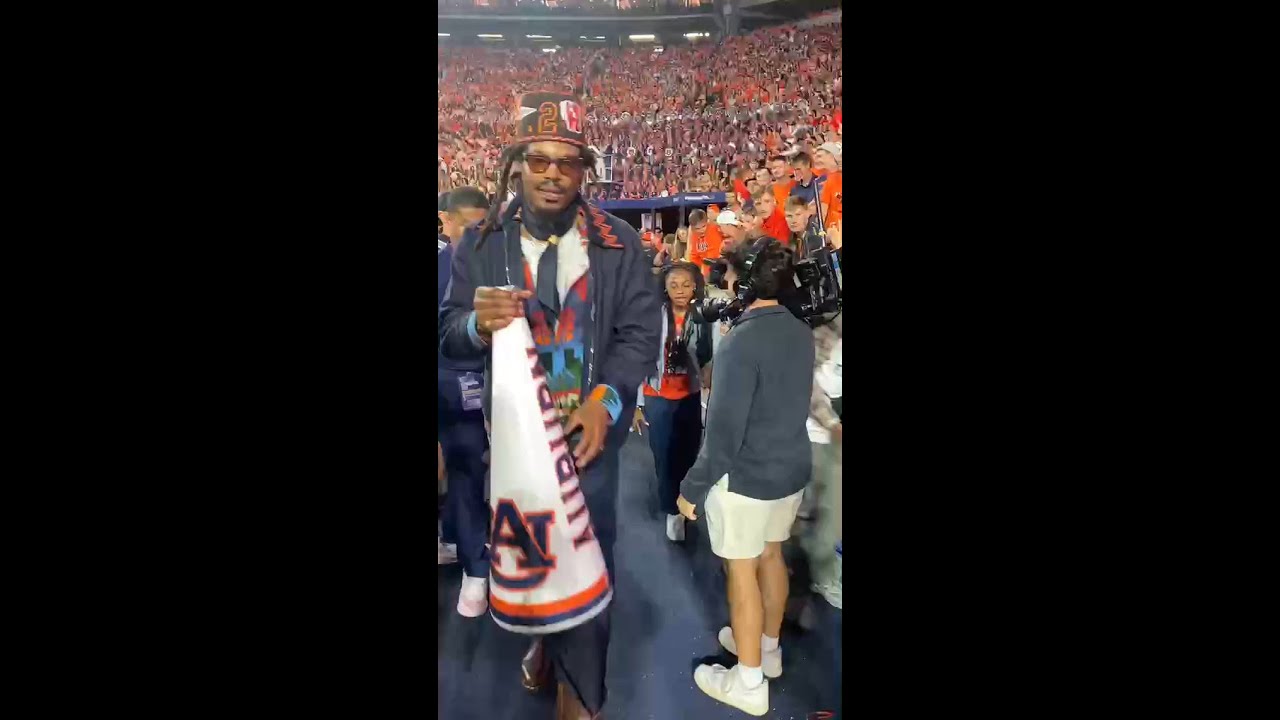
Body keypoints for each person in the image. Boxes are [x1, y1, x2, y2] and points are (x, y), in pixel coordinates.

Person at [438, 90, 661, 720]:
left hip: (589, 439)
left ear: (584, 170)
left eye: (568, 162)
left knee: (591, 554)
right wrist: (475, 327)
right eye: (540, 161)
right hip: (510, 443)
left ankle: (581, 696)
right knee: (534, 557)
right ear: (516, 164)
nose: (553, 174)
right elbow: (448, 334)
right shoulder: (478, 245)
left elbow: (642, 333)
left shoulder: (617, 242)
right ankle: (545, 640)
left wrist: (607, 397)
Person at [676, 239, 814, 716]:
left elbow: (723, 434)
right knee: (771, 555)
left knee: (741, 571)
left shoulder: (740, 342)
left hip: (748, 478)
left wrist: (691, 488)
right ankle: (767, 650)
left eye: (729, 276)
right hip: (791, 470)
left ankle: (749, 682)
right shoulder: (800, 329)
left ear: (744, 282)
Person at [436, 186, 492, 616]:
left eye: (484, 225)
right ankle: (473, 562)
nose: (477, 233)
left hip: (495, 384)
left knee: (479, 471)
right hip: (449, 387)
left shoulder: (498, 267)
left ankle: (479, 560)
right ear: (448, 223)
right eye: (469, 225)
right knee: (463, 471)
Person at [632, 262, 714, 543]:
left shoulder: (705, 316)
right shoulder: (652, 316)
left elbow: (712, 356)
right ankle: (671, 509)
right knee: (664, 458)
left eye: (686, 284)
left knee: (689, 455)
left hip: (691, 396)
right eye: (674, 284)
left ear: (696, 286)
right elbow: (639, 359)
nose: (680, 290)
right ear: (665, 288)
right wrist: (637, 404)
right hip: (658, 397)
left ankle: (684, 500)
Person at [801, 313, 843, 609]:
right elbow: (807, 386)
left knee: (833, 515)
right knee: (803, 513)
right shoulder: (824, 332)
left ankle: (823, 575)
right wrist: (830, 423)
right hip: (813, 437)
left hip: (835, 445)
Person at [812, 141, 843, 229]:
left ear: (831, 156)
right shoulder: (819, 180)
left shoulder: (831, 179)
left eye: (820, 156)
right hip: (833, 233)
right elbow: (822, 212)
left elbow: (823, 213)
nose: (816, 159)